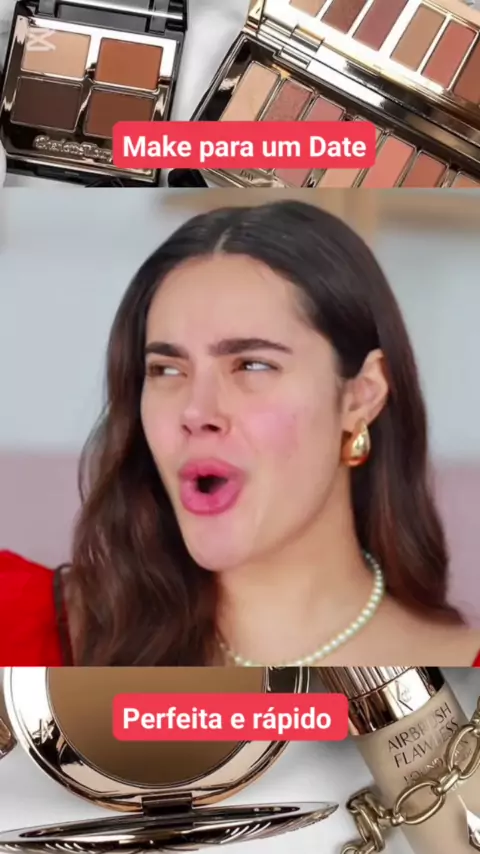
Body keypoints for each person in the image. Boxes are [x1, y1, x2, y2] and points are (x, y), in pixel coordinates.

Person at [1, 200, 479, 667]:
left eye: (252, 365)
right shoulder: (18, 622)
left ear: (361, 396)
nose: (196, 411)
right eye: (167, 369)